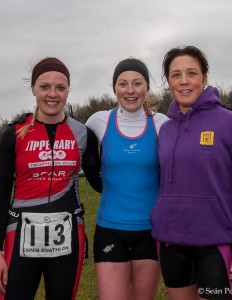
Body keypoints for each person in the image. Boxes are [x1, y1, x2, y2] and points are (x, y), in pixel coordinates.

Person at [150, 46, 232, 300]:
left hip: (215, 246)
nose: (184, 81)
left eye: (191, 73)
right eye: (175, 74)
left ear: (204, 78)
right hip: (171, 244)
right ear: (168, 81)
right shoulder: (166, 130)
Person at [0, 57, 101, 299]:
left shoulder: (82, 134)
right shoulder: (14, 134)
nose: (53, 94)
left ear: (68, 90)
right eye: (44, 86)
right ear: (33, 90)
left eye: (60, 87)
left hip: (68, 236)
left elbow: (101, 182)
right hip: (19, 236)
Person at [85, 58, 168, 300]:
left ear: (146, 88)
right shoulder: (98, 121)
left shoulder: (162, 123)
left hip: (151, 232)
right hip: (110, 229)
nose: (130, 91)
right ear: (114, 88)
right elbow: (83, 156)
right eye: (123, 84)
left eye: (137, 83)